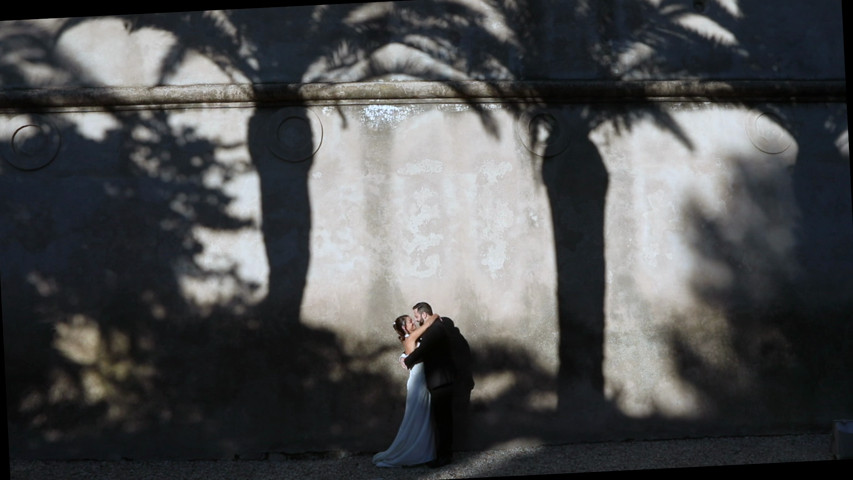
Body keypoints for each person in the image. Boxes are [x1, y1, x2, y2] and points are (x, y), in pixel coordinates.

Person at [372, 313, 438, 467]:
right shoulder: (411, 337)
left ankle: (424, 454)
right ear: (404, 327)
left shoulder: (412, 338)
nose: (413, 321)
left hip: (422, 382)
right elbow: (427, 325)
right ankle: (413, 454)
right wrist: (435, 315)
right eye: (410, 321)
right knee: (416, 419)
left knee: (423, 419)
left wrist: (402, 356)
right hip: (417, 383)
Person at [403, 302, 460, 468]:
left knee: (442, 420)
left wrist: (407, 360)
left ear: (424, 314)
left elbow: (423, 349)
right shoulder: (434, 326)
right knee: (442, 419)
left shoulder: (435, 329)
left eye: (416, 316)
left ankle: (444, 457)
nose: (415, 319)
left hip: (441, 381)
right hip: (441, 380)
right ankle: (443, 454)